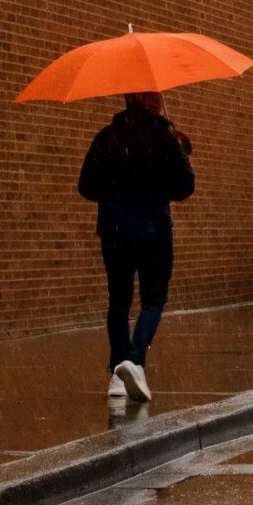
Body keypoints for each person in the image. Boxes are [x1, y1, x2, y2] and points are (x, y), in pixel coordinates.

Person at [78, 91, 195, 402]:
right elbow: (184, 189)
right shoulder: (166, 137)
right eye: (151, 94)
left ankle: (118, 374)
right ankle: (133, 359)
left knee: (118, 300)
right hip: (155, 231)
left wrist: (115, 192)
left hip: (115, 231)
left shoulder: (107, 137)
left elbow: (86, 186)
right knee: (153, 300)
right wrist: (182, 160)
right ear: (139, 99)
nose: (158, 98)